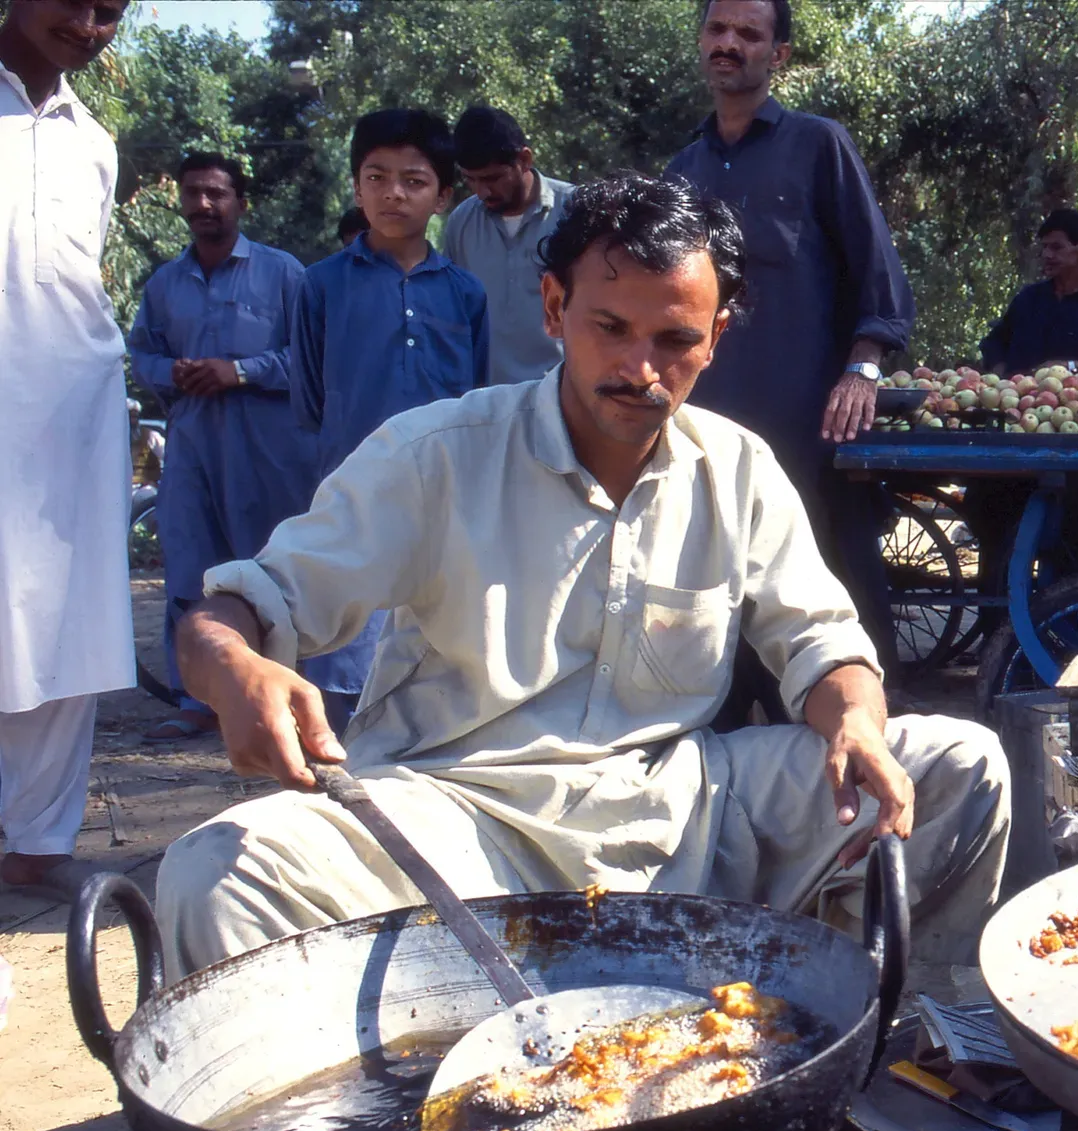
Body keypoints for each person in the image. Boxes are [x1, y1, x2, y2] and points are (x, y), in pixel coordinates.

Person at [155, 172, 1011, 977]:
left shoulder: (739, 467)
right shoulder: (434, 455)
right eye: (611, 328)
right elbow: (235, 611)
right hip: (459, 819)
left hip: (686, 810)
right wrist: (236, 670)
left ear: (716, 339)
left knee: (959, 766)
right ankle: (361, 1115)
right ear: (556, 307)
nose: (641, 368)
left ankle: (888, 1049)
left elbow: (821, 644)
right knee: (214, 873)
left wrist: (855, 722)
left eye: (675, 339)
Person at [667, 0, 914, 674]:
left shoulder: (817, 144)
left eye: (749, 34)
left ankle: (859, 752)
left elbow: (877, 274)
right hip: (706, 435)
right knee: (718, 609)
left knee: (831, 599)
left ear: (778, 57)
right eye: (718, 30)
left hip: (809, 430)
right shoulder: (680, 172)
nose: (729, 44)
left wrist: (861, 369)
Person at [289, 108, 490, 729]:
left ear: (444, 196)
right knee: (346, 641)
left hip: (443, 490)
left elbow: (475, 394)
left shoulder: (464, 292)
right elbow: (310, 398)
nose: (392, 193)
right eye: (375, 177)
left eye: (413, 179)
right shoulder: (321, 286)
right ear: (356, 187)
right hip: (353, 486)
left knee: (434, 637)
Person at [0, 0, 134, 895]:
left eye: (111, 12)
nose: (89, 25)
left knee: (66, 624)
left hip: (74, 409)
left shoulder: (94, 141)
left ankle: (39, 842)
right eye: (75, 1)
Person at [127, 153, 315, 742]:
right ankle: (196, 699)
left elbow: (311, 356)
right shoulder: (165, 283)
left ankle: (283, 694)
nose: (203, 204)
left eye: (216, 193)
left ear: (241, 201)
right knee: (191, 568)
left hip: (269, 446)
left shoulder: (283, 274)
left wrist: (242, 370)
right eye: (193, 193)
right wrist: (173, 372)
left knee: (271, 567)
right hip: (192, 445)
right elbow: (141, 352)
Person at [443, 106, 574, 386]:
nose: (482, 191)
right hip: (489, 402)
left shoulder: (576, 212)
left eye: (492, 178)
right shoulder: (461, 223)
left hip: (565, 396)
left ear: (524, 159)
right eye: (470, 179)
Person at [979, 208, 1078, 378]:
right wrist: (1004, 378)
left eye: (1056, 247)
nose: (1047, 254)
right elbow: (993, 345)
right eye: (1044, 247)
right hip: (1017, 401)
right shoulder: (1027, 299)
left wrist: (1072, 367)